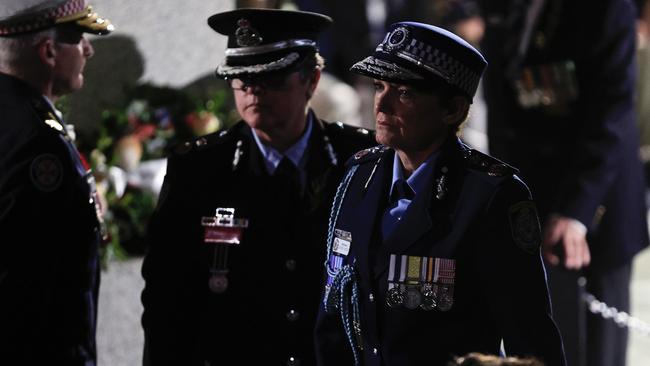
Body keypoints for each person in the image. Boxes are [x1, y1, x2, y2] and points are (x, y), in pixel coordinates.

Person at [314, 21, 566, 366]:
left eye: (404, 93)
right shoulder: (359, 176)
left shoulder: (491, 196)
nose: (382, 105)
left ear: (453, 110)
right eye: (379, 86)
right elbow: (333, 314)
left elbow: (531, 337)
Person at [140, 8, 375, 366]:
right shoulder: (200, 168)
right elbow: (167, 298)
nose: (254, 92)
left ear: (312, 80)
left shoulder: (358, 161)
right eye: (243, 81)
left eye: (273, 80)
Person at [480, 1, 649, 365]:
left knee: (596, 349)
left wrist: (576, 211)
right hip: (530, 202)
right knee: (540, 343)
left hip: (595, 206)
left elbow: (612, 114)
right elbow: (501, 103)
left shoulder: (606, 9)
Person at [0, 0, 113, 365]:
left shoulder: (16, 116)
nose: (88, 50)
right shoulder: (37, 142)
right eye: (79, 39)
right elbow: (36, 283)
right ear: (48, 51)